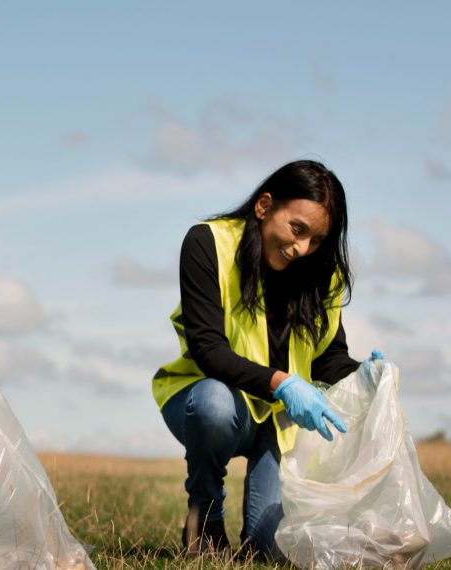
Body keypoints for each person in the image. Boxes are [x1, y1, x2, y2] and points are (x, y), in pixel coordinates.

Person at [152, 160, 383, 560]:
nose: (302, 249)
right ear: (264, 207)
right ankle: (204, 523)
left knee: (273, 549)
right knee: (213, 404)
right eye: (298, 230)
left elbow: (328, 357)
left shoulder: (319, 273)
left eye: (316, 239)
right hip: (211, 401)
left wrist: (365, 376)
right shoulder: (208, 244)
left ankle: (256, 535)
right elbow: (208, 349)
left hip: (277, 424)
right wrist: (283, 383)